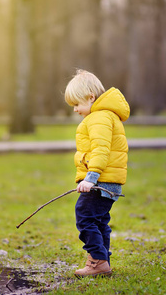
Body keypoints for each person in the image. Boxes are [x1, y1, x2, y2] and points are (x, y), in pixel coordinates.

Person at [64, 69, 130, 277]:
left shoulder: (99, 118)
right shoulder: (106, 115)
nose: (75, 110)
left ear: (91, 97)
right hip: (108, 181)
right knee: (100, 221)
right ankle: (102, 262)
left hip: (99, 181)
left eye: (77, 104)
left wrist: (90, 178)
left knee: (84, 217)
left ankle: (98, 260)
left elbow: (101, 150)